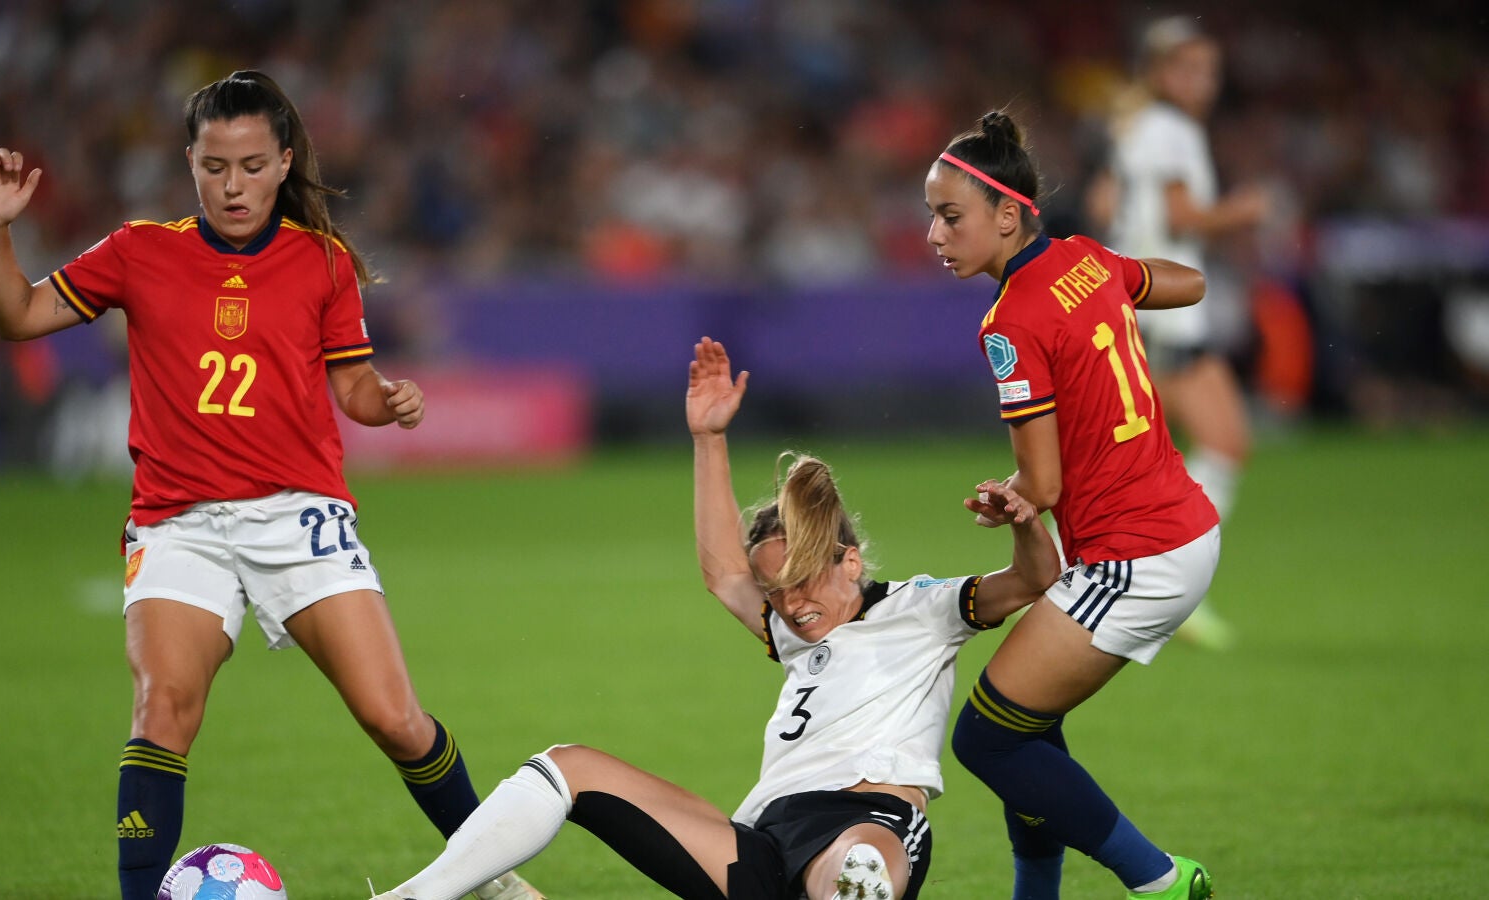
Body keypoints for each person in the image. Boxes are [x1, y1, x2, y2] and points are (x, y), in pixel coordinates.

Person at [0, 70, 540, 900]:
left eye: (250, 166)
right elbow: (18, 317)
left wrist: (388, 401)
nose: (232, 186)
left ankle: (493, 878)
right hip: (178, 523)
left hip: (299, 516)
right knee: (162, 710)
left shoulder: (322, 262)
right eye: (214, 167)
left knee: (394, 719)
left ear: (283, 163)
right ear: (189, 164)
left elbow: (354, 387)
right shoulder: (139, 251)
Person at [364, 336, 1062, 900]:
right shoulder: (791, 631)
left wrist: (1026, 522)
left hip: (867, 820)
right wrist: (707, 437)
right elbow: (724, 573)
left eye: (802, 581)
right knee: (566, 766)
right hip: (760, 838)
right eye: (775, 591)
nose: (790, 604)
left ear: (851, 562)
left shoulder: (922, 607)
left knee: (858, 873)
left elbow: (1034, 579)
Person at [924, 111, 1222, 900]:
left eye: (950, 216)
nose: (934, 234)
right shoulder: (1087, 259)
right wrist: (1122, 286)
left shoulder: (1009, 322)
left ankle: (1161, 882)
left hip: (1136, 554)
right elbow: (1188, 284)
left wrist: (1009, 498)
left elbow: (1045, 487)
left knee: (986, 741)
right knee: (1029, 723)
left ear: (1007, 215)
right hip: (1179, 526)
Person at [1096, 15, 1270, 649]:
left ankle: (1103, 573)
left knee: (1129, 463)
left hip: (1134, 308)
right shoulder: (1171, 130)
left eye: (1210, 70)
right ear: (1160, 73)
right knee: (1224, 441)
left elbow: (1102, 202)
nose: (1204, 82)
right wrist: (1243, 211)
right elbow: (1180, 216)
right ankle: (1171, 584)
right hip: (1161, 311)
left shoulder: (1135, 127)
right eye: (1190, 69)